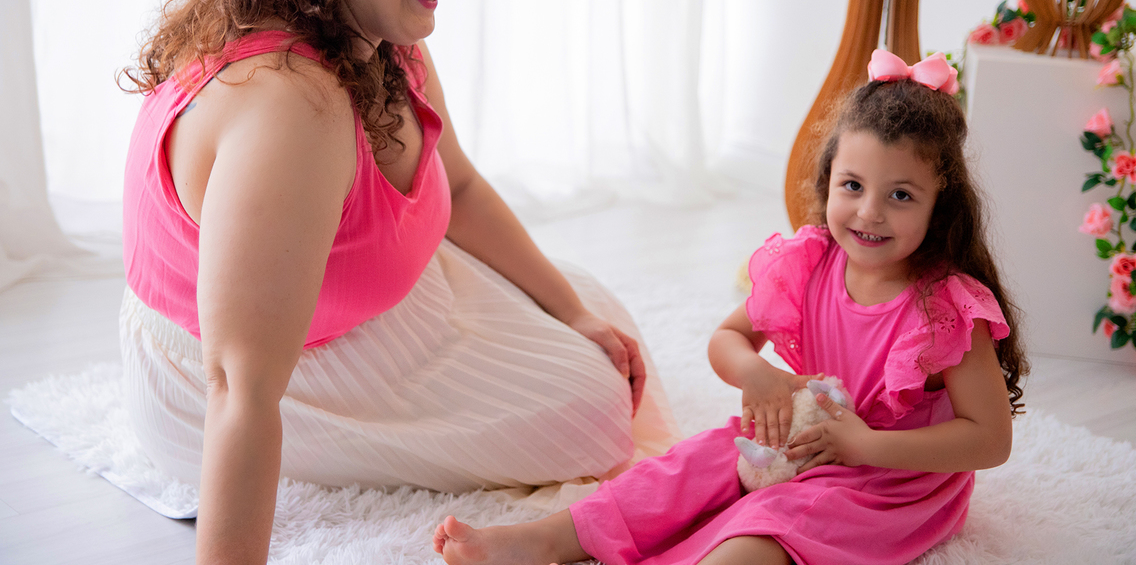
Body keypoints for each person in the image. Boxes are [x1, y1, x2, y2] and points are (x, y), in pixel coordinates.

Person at [118, 0, 679, 565]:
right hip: (255, 367)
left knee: (600, 321)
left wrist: (573, 314)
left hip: (393, 294)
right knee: (592, 413)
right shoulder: (290, 106)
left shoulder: (380, 28)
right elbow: (238, 386)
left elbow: (465, 192)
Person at [434, 50, 1029, 565]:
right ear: (828, 182)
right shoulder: (811, 260)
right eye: (853, 186)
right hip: (801, 440)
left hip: (891, 481)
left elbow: (989, 440)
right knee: (689, 465)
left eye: (900, 196)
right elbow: (726, 340)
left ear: (939, 208)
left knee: (774, 523)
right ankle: (545, 540)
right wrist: (759, 376)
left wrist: (865, 446)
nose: (869, 212)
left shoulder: (947, 308)